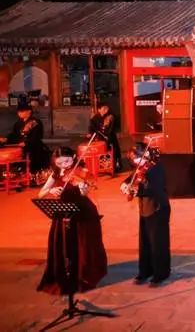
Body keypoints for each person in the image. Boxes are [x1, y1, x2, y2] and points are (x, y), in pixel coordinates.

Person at [37, 147, 108, 295]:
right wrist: (50, 191)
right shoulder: (56, 174)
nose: (64, 165)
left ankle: (84, 275)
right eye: (59, 163)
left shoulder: (83, 172)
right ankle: (66, 273)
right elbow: (40, 193)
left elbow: (86, 192)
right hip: (63, 212)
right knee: (64, 245)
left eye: (67, 161)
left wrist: (83, 189)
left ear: (74, 157)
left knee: (83, 244)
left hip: (82, 212)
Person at [120, 142, 170, 286]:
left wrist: (138, 191)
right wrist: (125, 184)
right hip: (145, 209)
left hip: (157, 209)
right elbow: (131, 178)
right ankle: (145, 271)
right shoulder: (140, 169)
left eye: (138, 158)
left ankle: (161, 273)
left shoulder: (156, 168)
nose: (136, 162)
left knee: (158, 243)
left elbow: (155, 189)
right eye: (134, 160)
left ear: (146, 154)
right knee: (145, 243)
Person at [0, 104, 49, 183]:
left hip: (34, 146)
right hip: (21, 146)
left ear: (29, 111)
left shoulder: (35, 122)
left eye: (22, 111)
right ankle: (16, 176)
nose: (19, 113)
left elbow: (37, 136)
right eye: (18, 112)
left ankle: (32, 178)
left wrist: (26, 142)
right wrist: (6, 139)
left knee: (32, 157)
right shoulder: (18, 123)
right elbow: (14, 135)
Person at [88, 103, 122, 173]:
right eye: (104, 109)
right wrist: (91, 134)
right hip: (100, 138)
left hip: (110, 137)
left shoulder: (110, 116)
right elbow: (92, 129)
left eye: (107, 109)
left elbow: (111, 128)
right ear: (99, 110)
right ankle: (102, 167)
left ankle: (115, 166)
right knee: (101, 153)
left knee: (114, 151)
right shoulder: (94, 118)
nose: (106, 110)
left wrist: (107, 125)